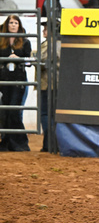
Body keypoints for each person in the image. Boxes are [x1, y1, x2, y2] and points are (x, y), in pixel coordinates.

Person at [0, 15, 31, 151]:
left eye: (16, 23)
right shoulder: (1, 40)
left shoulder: (25, 41)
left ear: (19, 25)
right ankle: (7, 142)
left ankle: (21, 142)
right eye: (11, 22)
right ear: (7, 25)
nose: (13, 25)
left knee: (13, 110)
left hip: (19, 79)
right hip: (4, 79)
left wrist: (19, 58)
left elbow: (30, 62)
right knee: (5, 111)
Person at [35, 19, 59, 152]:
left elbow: (43, 61)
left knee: (45, 113)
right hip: (55, 83)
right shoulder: (58, 43)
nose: (44, 30)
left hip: (47, 83)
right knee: (52, 114)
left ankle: (49, 142)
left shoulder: (49, 44)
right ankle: (49, 143)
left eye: (46, 28)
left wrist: (34, 58)